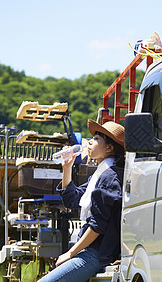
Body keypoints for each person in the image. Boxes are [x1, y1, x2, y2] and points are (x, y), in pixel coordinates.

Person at [39, 119, 125, 282]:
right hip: (89, 250)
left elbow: (97, 226)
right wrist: (67, 168)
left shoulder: (109, 177)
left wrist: (71, 253)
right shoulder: (100, 175)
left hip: (96, 253)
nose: (90, 141)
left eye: (97, 138)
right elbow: (72, 200)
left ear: (109, 147)